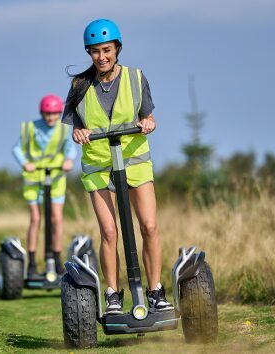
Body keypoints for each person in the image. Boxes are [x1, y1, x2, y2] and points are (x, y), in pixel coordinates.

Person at [62, 19, 173, 315]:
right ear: (89, 53)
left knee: (149, 226)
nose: (102, 57)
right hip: (99, 166)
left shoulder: (136, 78)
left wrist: (148, 123)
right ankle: (112, 294)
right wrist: (79, 133)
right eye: (95, 51)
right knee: (109, 232)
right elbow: (76, 128)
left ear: (118, 49)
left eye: (107, 50)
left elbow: (149, 117)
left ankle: (155, 291)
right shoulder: (79, 86)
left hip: (134, 163)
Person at [12, 94, 77, 277]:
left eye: (55, 114)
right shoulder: (30, 128)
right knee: (36, 219)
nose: (51, 118)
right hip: (34, 180)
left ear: (58, 114)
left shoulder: (63, 130)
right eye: (48, 114)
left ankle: (56, 261)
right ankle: (32, 263)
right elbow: (17, 148)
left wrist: (69, 160)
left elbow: (70, 148)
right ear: (42, 113)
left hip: (55, 179)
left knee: (56, 219)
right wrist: (25, 162)